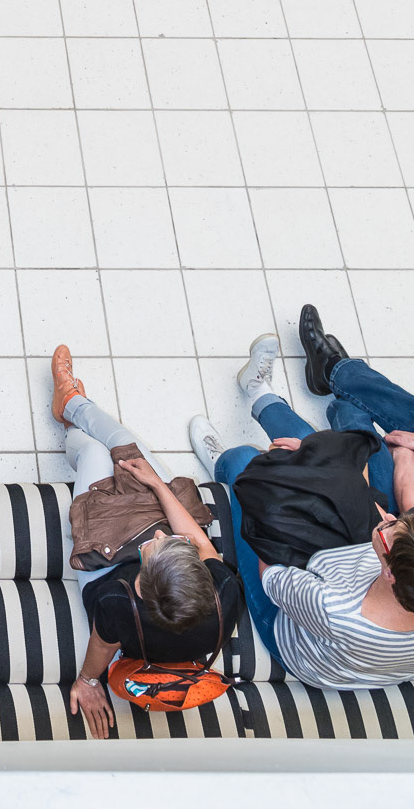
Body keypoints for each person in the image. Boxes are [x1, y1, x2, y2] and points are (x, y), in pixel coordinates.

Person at [190, 314, 414, 689]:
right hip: (350, 566)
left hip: (289, 622)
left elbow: (271, 558)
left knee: (248, 464)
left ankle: (223, 464)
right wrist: (320, 467)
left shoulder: (334, 609)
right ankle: (258, 390)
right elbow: (379, 515)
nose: (388, 518)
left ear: (391, 571)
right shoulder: (398, 567)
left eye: (392, 528)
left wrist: (289, 475)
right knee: (324, 448)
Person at [49, 347, 242, 739]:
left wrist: (87, 681)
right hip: (149, 538)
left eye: (157, 547)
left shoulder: (117, 602)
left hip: (107, 560)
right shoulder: (224, 594)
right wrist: (156, 485)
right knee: (125, 446)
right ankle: (71, 403)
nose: (159, 535)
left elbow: (101, 649)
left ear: (140, 584)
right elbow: (197, 539)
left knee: (94, 449)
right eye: (173, 544)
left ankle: (72, 418)